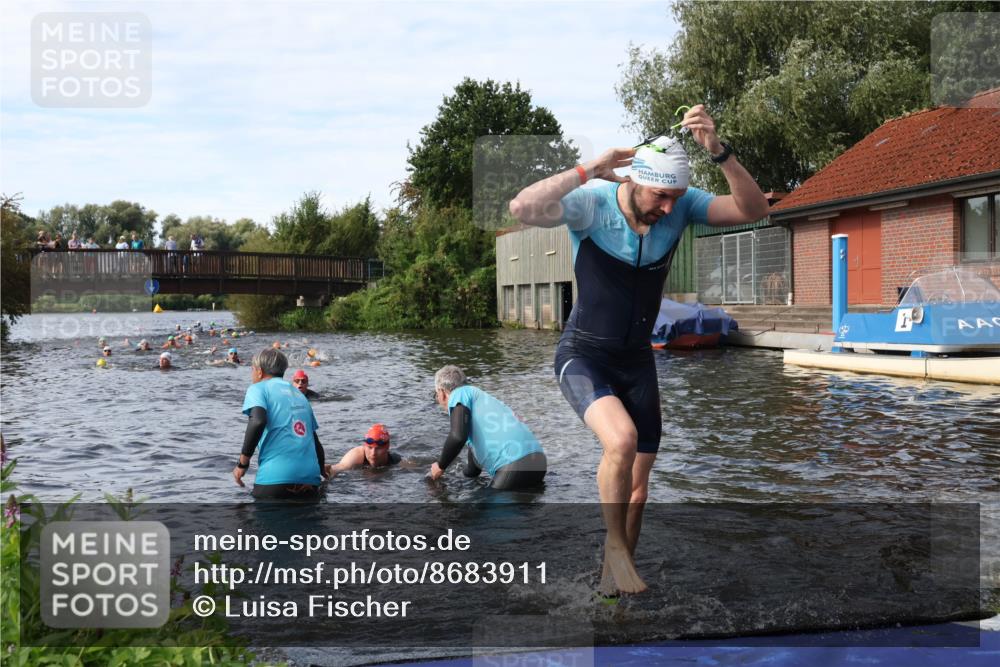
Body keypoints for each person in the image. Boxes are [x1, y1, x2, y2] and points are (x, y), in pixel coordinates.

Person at [508, 104, 769, 594]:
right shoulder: (593, 202)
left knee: (639, 490)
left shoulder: (684, 204)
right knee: (621, 441)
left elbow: (755, 210)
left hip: (637, 361)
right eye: (661, 196)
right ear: (636, 181)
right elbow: (521, 208)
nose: (670, 208)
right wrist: (590, 165)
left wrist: (719, 152)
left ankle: (612, 588)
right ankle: (615, 551)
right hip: (584, 354)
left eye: (675, 198)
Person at [428, 365, 546, 491]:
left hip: (514, 464)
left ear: (441, 393)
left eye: (436, 394)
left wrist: (440, 466)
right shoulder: (482, 402)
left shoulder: (459, 394)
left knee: (489, 509)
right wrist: (457, 477)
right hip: (538, 461)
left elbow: (457, 437)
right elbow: (472, 471)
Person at [233, 348, 327, 499]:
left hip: (275, 479)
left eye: (252, 369)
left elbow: (257, 421)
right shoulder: (300, 395)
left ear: (259, 371)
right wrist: (321, 469)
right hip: (310, 481)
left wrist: (242, 464)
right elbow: (314, 440)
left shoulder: (257, 389)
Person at [325, 424, 401, 478]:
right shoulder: (356, 455)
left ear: (387, 447)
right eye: (370, 448)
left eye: (378, 448)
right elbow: (339, 467)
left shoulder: (395, 460)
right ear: (365, 446)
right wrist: (325, 470)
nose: (373, 453)